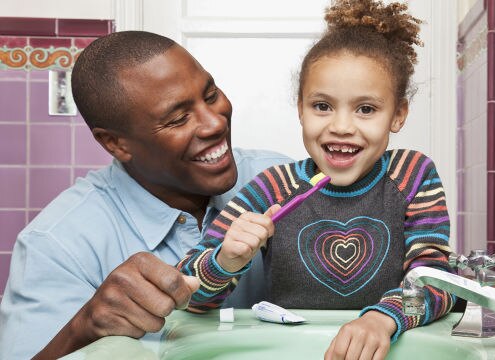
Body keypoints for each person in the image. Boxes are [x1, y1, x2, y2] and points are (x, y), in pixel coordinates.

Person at [177, 1, 495, 359]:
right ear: (300, 108)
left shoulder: (412, 175)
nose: (341, 126)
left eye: (366, 109)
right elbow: (189, 295)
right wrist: (225, 262)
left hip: (391, 343)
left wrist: (383, 317)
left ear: (397, 114)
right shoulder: (271, 189)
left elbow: (433, 274)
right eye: (322, 106)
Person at [0, 31, 292, 360]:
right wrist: (83, 328)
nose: (215, 123)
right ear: (116, 144)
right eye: (178, 118)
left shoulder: (282, 180)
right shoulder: (56, 245)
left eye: (210, 95)